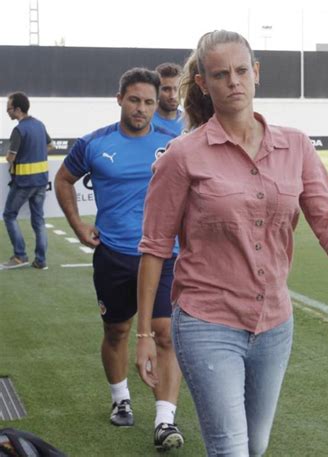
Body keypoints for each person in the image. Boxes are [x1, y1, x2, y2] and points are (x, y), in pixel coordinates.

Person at [136, 30, 328, 457]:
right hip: (206, 321)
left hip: (274, 325)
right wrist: (143, 334)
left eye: (241, 71)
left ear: (256, 74)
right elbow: (155, 246)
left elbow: (327, 215)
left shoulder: (296, 145)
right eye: (220, 74)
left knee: (256, 444)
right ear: (203, 83)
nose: (233, 81)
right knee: (230, 448)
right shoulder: (181, 156)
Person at [54, 68, 184, 451]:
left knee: (165, 334)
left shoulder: (173, 143)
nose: (141, 109)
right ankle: (120, 399)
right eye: (134, 100)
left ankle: (164, 420)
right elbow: (63, 180)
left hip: (163, 257)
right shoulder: (94, 144)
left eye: (148, 102)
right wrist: (78, 224)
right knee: (117, 332)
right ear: (120, 100)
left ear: (156, 103)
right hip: (113, 256)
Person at [2, 92, 52, 270]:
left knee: (9, 215)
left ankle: (19, 256)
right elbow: (49, 145)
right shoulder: (39, 124)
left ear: (17, 109)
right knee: (38, 221)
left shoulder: (19, 130)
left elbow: (10, 157)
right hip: (41, 181)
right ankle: (41, 260)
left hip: (24, 182)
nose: (7, 111)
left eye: (8, 108)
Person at [152, 62, 185, 138]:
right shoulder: (145, 123)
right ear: (155, 90)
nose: (173, 96)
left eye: (176, 89)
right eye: (166, 89)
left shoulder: (191, 122)